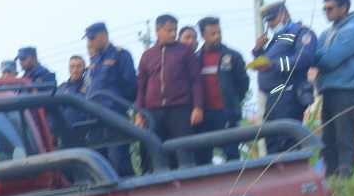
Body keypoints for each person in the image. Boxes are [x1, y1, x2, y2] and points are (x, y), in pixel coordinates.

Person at [250, 0, 318, 154]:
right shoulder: (278, 39)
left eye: (272, 19)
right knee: (272, 141)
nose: (270, 25)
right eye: (267, 21)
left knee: (287, 142)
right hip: (273, 97)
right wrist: (258, 51)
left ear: (283, 14)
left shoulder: (301, 32)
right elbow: (270, 62)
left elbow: (304, 58)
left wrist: (274, 65)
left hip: (289, 93)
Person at [315, 0, 354, 178]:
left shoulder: (353, 31)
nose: (326, 12)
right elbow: (315, 53)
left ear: (344, 8)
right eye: (324, 8)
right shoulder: (328, 32)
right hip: (328, 91)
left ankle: (345, 182)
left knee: (343, 138)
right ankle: (330, 182)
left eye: (330, 8)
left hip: (346, 91)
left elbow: (329, 60)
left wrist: (315, 55)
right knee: (328, 141)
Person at [136, 14, 204, 153]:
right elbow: (141, 87)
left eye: (175, 30)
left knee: (183, 151)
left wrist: (198, 107)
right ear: (158, 30)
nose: (173, 34)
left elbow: (196, 81)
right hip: (153, 112)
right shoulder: (147, 55)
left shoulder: (185, 52)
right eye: (169, 30)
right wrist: (139, 113)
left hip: (180, 110)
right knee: (155, 151)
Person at [84, 21, 140, 175]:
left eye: (92, 38)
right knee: (99, 163)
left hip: (114, 116)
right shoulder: (94, 60)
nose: (90, 42)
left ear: (103, 36)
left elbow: (130, 85)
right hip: (95, 118)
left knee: (118, 160)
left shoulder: (121, 55)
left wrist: (119, 105)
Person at [194, 17, 250, 162]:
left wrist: (233, 102)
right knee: (202, 158)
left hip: (226, 114)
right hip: (204, 116)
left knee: (232, 154)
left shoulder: (233, 56)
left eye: (219, 32)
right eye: (213, 33)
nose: (217, 36)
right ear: (203, 36)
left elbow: (243, 83)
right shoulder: (195, 59)